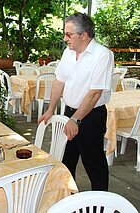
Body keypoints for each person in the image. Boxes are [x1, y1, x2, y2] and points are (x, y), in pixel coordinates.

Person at [39, 12, 114, 191]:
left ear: (84, 35)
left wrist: (76, 119)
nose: (65, 38)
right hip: (69, 113)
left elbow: (95, 93)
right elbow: (59, 81)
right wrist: (50, 109)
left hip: (91, 116)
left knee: (93, 162)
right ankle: (68, 199)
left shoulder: (103, 55)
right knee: (66, 160)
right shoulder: (68, 53)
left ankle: (102, 203)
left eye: (69, 34)